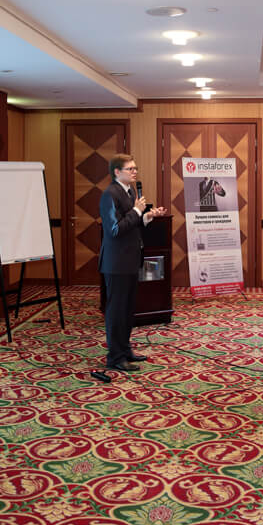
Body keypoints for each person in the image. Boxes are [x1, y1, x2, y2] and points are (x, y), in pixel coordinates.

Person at [99, 154, 167, 372]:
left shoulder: (129, 192)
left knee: (128, 310)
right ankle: (115, 357)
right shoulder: (110, 194)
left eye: (135, 168)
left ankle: (125, 350)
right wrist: (137, 210)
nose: (135, 172)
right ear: (117, 172)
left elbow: (132, 224)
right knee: (117, 311)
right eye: (130, 169)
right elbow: (115, 229)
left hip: (130, 260)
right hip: (116, 263)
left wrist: (146, 217)